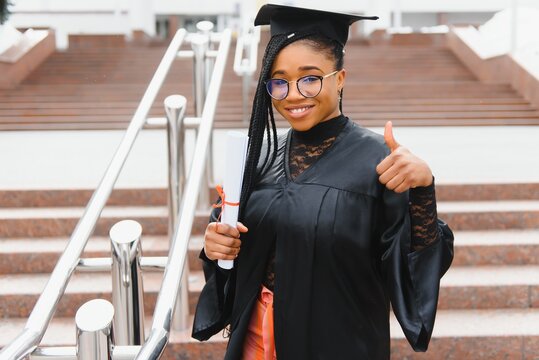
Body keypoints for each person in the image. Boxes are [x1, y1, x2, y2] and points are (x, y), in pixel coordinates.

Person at [192, 4, 454, 359]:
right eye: (279, 82)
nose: (294, 94)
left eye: (310, 78)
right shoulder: (261, 157)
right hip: (255, 345)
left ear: (340, 78)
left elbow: (414, 266)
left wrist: (422, 188)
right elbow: (230, 255)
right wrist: (215, 248)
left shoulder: (377, 161)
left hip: (339, 344)